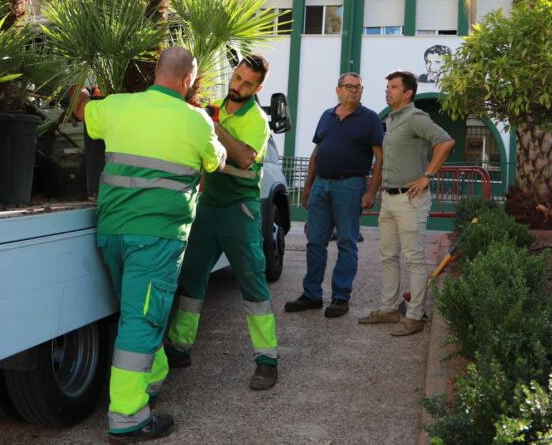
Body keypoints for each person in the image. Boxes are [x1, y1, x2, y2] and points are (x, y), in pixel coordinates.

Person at [73, 47, 227, 443]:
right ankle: (126, 417)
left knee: (136, 312)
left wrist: (83, 91)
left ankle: (152, 379)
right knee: (141, 320)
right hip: (156, 239)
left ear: (155, 72)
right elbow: (216, 163)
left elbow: (82, 110)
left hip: (111, 233)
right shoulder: (196, 120)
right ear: (188, 80)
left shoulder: (118, 106)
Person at [163, 54, 280, 391]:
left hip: (239, 210)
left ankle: (267, 359)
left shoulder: (257, 120)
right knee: (192, 280)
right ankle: (180, 347)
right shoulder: (213, 105)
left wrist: (212, 125)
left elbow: (244, 158)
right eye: (237, 77)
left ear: (258, 87)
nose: (238, 86)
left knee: (253, 285)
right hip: (207, 207)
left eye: (247, 83)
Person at [359, 70, 454, 336]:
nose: (387, 90)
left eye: (393, 87)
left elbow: (446, 142)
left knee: (414, 259)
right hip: (389, 199)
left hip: (410, 199)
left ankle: (414, 317)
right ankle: (389, 309)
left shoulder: (415, 117)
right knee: (388, 256)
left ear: (407, 93)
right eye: (387, 86)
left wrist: (427, 176)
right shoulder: (392, 118)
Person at [285, 73, 383, 318]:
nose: (354, 91)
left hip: (350, 186)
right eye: (349, 87)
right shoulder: (326, 115)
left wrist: (371, 190)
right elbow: (317, 152)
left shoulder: (370, 118)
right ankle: (311, 295)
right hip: (321, 185)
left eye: (358, 87)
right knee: (315, 242)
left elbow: (380, 158)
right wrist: (308, 185)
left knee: (346, 243)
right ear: (337, 90)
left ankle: (340, 297)